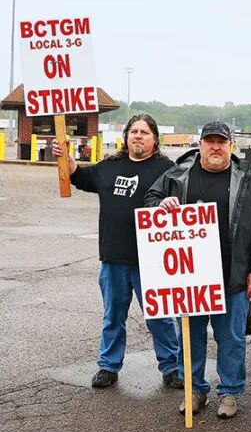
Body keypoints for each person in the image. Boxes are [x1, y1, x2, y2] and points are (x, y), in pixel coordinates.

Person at [145, 121, 251, 419]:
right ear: (200, 144)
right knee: (190, 337)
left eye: (222, 142)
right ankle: (195, 390)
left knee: (231, 339)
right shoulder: (177, 174)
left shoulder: (246, 181)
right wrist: (160, 204)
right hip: (189, 279)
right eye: (210, 141)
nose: (216, 147)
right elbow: (150, 199)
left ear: (230, 146)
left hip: (232, 277)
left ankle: (229, 392)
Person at [51, 114, 181, 390]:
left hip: (152, 260)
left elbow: (184, 203)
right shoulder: (109, 166)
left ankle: (171, 367)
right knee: (113, 317)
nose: (138, 136)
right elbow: (79, 176)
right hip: (113, 257)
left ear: (155, 139)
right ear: (126, 136)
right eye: (134, 131)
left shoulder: (168, 170)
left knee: (160, 318)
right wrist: (66, 157)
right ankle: (108, 366)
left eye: (144, 132)